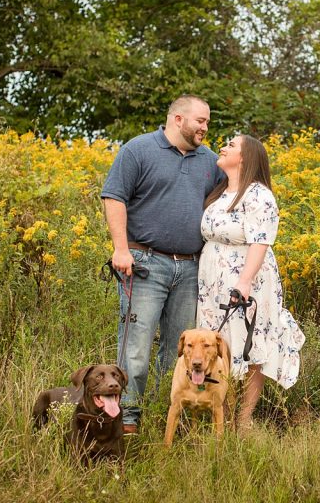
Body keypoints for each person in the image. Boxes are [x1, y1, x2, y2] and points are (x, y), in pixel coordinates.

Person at [101, 94, 224, 435]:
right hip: (143, 263)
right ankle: (127, 419)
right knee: (136, 348)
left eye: (208, 122)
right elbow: (114, 197)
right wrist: (120, 249)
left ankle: (163, 414)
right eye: (201, 120)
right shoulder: (137, 150)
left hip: (189, 268)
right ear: (178, 119)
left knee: (181, 352)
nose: (205, 127)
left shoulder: (211, 162)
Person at [196, 134, 305, 430]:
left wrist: (244, 283)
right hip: (213, 282)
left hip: (248, 279)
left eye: (231, 145)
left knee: (250, 345)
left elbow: (260, 242)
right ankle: (223, 416)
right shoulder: (219, 193)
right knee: (219, 345)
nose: (223, 147)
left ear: (245, 157)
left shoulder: (259, 195)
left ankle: (242, 421)